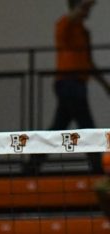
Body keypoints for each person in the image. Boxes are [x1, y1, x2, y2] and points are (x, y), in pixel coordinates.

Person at [28, 0, 109, 174]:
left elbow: (88, 63)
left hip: (77, 83)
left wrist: (105, 85)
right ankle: (97, 169)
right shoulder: (65, 25)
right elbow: (71, 18)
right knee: (87, 127)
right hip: (68, 82)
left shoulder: (84, 33)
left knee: (58, 128)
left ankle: (32, 165)